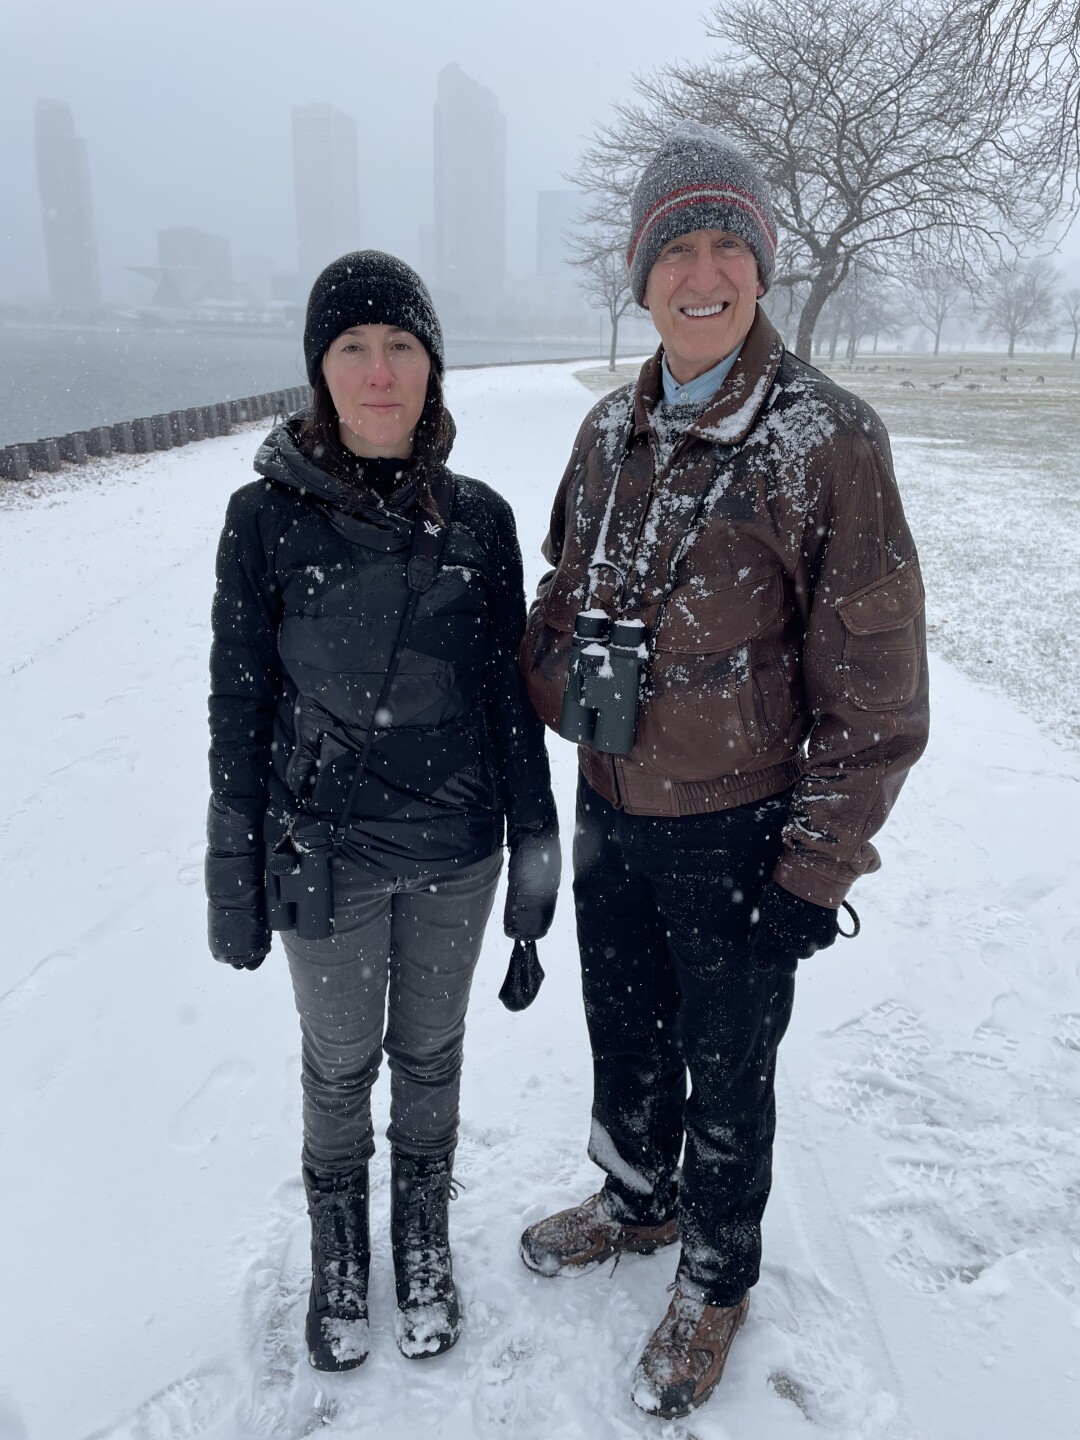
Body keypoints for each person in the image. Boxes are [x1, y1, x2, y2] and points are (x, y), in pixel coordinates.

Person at [518, 123, 929, 1421]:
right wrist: (519, 664)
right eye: (675, 251)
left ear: (759, 267)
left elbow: (876, 694)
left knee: (730, 1062)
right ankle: (636, 1200)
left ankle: (714, 1274)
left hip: (740, 829)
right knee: (623, 1030)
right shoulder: (602, 433)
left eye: (725, 247)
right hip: (609, 808)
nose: (702, 275)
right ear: (640, 282)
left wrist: (814, 872)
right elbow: (560, 599)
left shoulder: (830, 439)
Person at [205, 251, 559, 1374]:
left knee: (433, 1052)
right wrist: (232, 881)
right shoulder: (261, 520)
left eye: (399, 345)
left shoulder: (483, 521)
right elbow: (238, 713)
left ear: (431, 368)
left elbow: (509, 703)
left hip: (459, 850)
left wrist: (535, 853)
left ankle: (420, 1229)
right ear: (321, 368)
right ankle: (338, 1242)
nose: (377, 370)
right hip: (326, 857)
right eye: (352, 347)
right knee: (339, 1060)